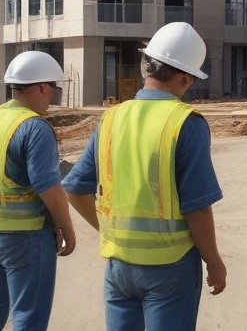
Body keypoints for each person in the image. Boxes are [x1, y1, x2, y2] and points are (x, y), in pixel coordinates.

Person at [63, 22, 226, 331]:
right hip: (169, 266)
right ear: (184, 77)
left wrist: (109, 232)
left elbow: (74, 188)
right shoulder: (186, 124)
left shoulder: (111, 118)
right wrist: (214, 261)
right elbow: (197, 208)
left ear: (145, 67)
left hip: (119, 265)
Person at [0, 50, 76, 331]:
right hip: (24, 236)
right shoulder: (34, 127)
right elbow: (48, 186)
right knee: (28, 318)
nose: (52, 98)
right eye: (53, 89)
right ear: (41, 87)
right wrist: (67, 228)